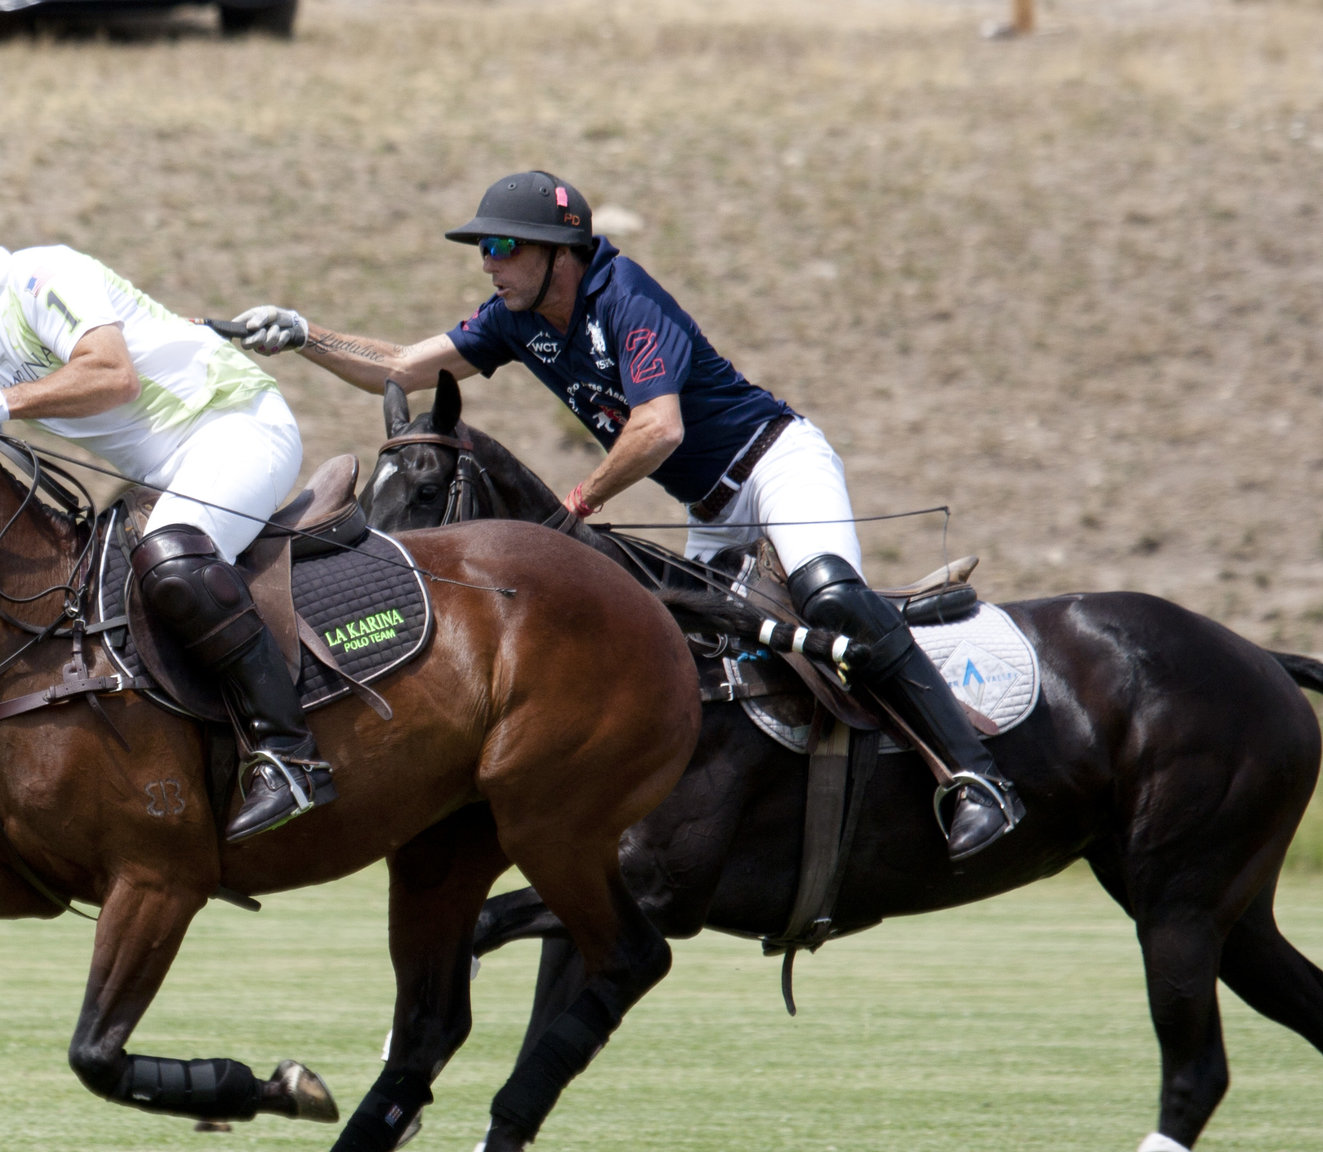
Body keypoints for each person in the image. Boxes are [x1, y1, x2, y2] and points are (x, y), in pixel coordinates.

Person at [231, 171, 1019, 861]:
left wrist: (580, 502)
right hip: (709, 507)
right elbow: (404, 367)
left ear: (559, 253)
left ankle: (976, 779)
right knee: (696, 656)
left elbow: (659, 427)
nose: (489, 263)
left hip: (776, 463)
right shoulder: (516, 319)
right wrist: (305, 335)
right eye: (485, 249)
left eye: (505, 247)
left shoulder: (624, 299)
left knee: (829, 597)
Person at [0, 189, 331, 842]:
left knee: (171, 560)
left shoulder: (43, 275)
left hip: (237, 424)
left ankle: (291, 756)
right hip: (158, 478)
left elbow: (112, 375)